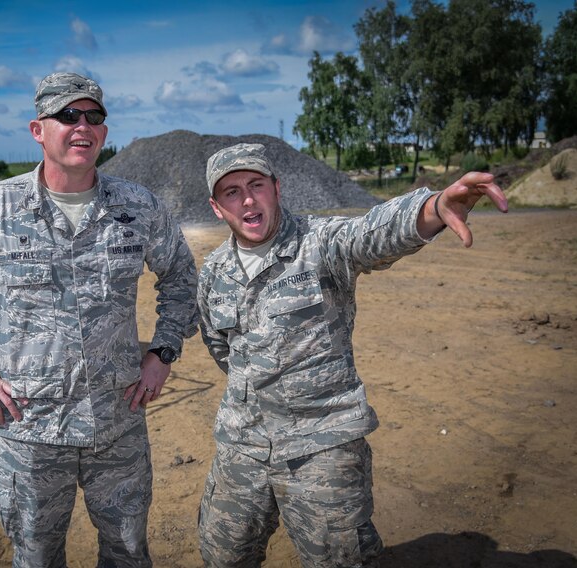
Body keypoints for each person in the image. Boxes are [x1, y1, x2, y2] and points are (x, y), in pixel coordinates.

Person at [0, 72, 198, 567]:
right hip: (32, 434)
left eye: (94, 116)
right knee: (36, 558)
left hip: (118, 424)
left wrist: (163, 352)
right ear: (38, 130)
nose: (83, 126)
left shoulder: (138, 206)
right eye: (68, 116)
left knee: (127, 553)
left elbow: (183, 278)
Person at [195, 143, 508, 568]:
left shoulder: (320, 243)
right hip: (242, 447)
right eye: (232, 192)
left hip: (322, 446)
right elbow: (220, 348)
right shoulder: (214, 272)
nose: (247, 199)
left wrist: (433, 207)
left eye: (256, 185)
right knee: (223, 556)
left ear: (276, 188)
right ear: (217, 207)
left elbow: (372, 232)